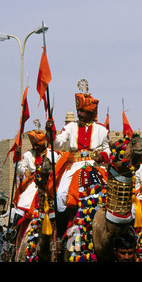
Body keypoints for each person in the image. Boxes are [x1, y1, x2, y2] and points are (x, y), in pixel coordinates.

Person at [45, 86, 110, 236]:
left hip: (95, 166)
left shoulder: (101, 130)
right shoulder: (70, 127)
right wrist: (50, 132)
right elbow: (58, 143)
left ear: (91, 113)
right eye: (78, 111)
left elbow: (108, 150)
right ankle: (62, 232)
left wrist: (103, 156)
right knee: (61, 194)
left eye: (83, 112)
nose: (79, 114)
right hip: (74, 166)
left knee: (108, 194)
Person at [12, 130, 60, 227]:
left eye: (37, 145)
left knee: (62, 199)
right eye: (34, 145)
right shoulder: (28, 155)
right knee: (23, 201)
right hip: (34, 183)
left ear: (43, 143)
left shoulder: (53, 154)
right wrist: (17, 158)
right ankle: (14, 229)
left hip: (50, 182)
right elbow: (20, 170)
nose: (35, 147)